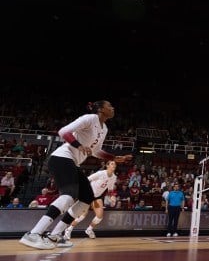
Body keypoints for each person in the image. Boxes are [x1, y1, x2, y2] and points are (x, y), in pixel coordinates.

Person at [19, 100, 133, 250]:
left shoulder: (104, 128)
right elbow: (63, 132)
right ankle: (34, 233)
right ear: (100, 109)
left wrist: (114, 158)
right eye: (109, 106)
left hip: (73, 162)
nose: (113, 108)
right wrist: (78, 146)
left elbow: (96, 151)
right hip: (62, 157)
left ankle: (56, 235)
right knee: (68, 195)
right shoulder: (89, 118)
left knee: (86, 198)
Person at [63, 160, 118, 241]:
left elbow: (110, 189)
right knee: (82, 215)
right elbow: (87, 180)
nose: (114, 165)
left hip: (97, 196)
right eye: (112, 164)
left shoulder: (114, 177)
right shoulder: (100, 173)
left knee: (99, 216)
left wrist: (112, 197)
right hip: (88, 194)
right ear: (107, 165)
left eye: (115, 164)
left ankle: (89, 229)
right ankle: (69, 229)